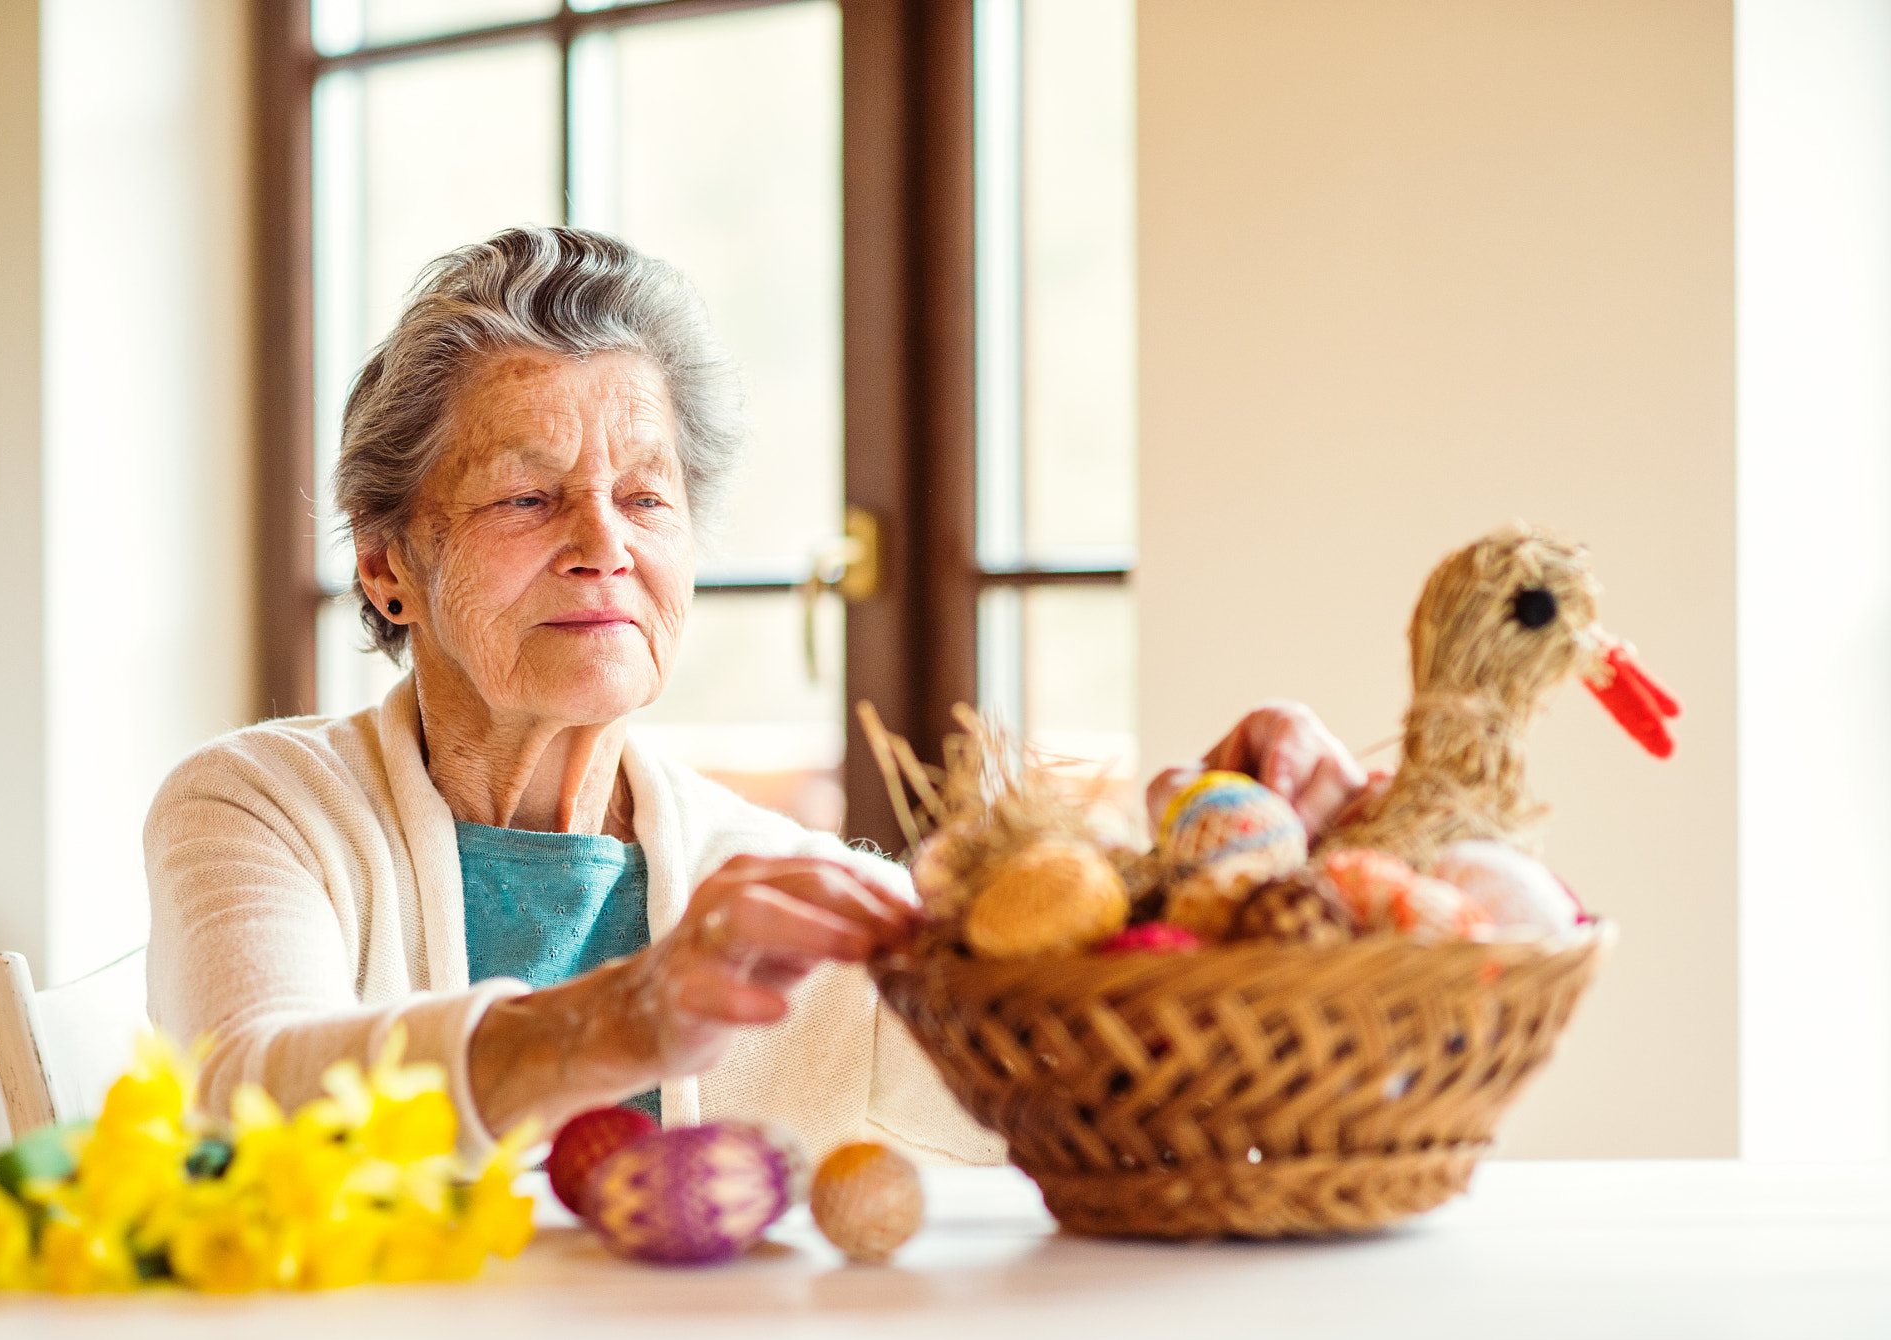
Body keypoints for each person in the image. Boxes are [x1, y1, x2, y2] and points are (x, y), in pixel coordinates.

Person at [145, 226, 1374, 1165]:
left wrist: (1219, 887)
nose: (601, 544)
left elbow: (1092, 1108)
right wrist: (622, 1016)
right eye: (526, 497)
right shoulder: (256, 807)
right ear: (383, 562)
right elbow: (236, 1105)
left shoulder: (774, 888)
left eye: (644, 496)